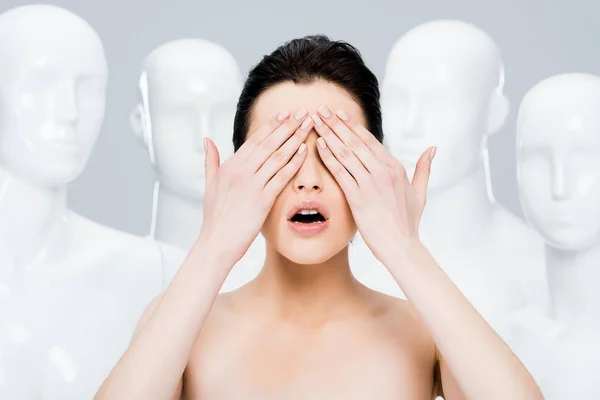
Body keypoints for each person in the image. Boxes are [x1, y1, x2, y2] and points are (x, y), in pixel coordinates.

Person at [95, 35, 543, 400]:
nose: (307, 181)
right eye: (281, 154)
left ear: (377, 171)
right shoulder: (183, 323)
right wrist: (212, 248)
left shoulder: (425, 331)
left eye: (335, 154)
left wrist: (406, 249)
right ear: (239, 174)